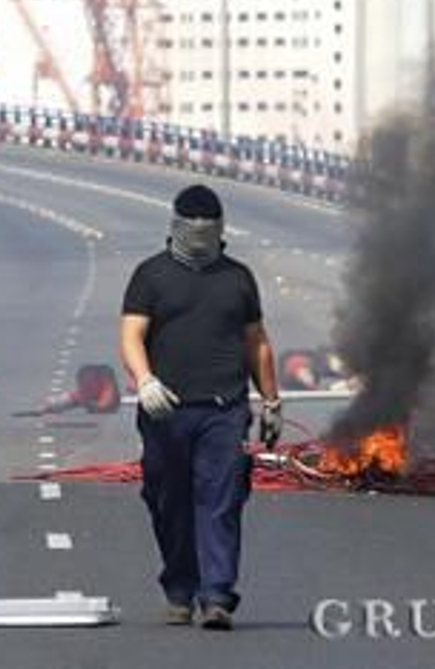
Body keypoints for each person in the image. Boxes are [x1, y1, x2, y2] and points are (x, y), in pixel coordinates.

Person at [119, 183, 281, 631]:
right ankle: (179, 586)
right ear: (174, 226)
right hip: (165, 410)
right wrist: (145, 380)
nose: (199, 236)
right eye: (191, 228)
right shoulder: (150, 276)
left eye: (208, 229)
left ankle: (216, 596)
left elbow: (257, 344)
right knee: (167, 498)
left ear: (220, 229)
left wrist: (271, 401)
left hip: (223, 410)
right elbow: (131, 334)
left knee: (220, 500)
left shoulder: (238, 278)